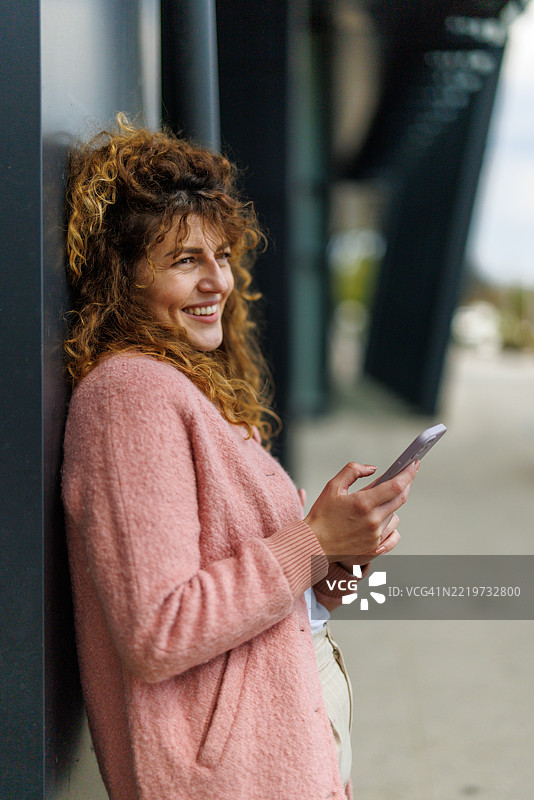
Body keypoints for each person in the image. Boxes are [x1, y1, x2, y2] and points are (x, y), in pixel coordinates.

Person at [62, 114, 418, 800]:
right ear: (124, 278)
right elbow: (159, 629)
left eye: (221, 256)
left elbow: (257, 599)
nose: (216, 282)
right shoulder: (129, 397)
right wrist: (310, 539)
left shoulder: (187, 389)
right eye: (183, 260)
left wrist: (334, 563)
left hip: (285, 749)